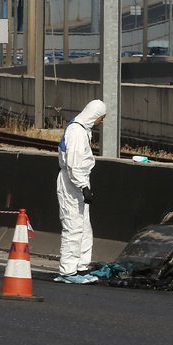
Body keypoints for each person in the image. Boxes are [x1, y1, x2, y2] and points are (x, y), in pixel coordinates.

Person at [54, 99, 106, 285]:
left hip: (78, 181)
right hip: (73, 183)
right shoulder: (76, 132)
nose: (101, 121)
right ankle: (68, 270)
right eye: (101, 118)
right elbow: (74, 164)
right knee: (73, 226)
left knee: (84, 227)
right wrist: (83, 186)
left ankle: (80, 266)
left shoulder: (83, 129)